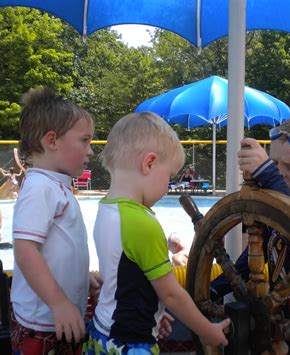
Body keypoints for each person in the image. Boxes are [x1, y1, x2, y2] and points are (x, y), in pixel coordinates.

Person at [84, 111, 229, 354]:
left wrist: (153, 312)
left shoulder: (107, 209)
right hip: (129, 344)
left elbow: (126, 279)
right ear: (149, 163)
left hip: (100, 333)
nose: (167, 187)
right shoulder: (142, 222)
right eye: (169, 177)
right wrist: (208, 331)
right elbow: (172, 294)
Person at [213, 111, 290, 355]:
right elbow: (250, 259)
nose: (280, 172)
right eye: (274, 163)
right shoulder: (274, 204)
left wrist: (268, 175)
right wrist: (214, 289)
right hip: (278, 321)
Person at [10, 87, 101, 355]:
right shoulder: (40, 187)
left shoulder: (54, 186)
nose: (91, 151)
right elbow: (26, 250)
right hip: (42, 324)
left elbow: (55, 248)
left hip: (54, 319)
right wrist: (59, 302)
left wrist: (79, 276)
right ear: (52, 141)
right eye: (84, 141)